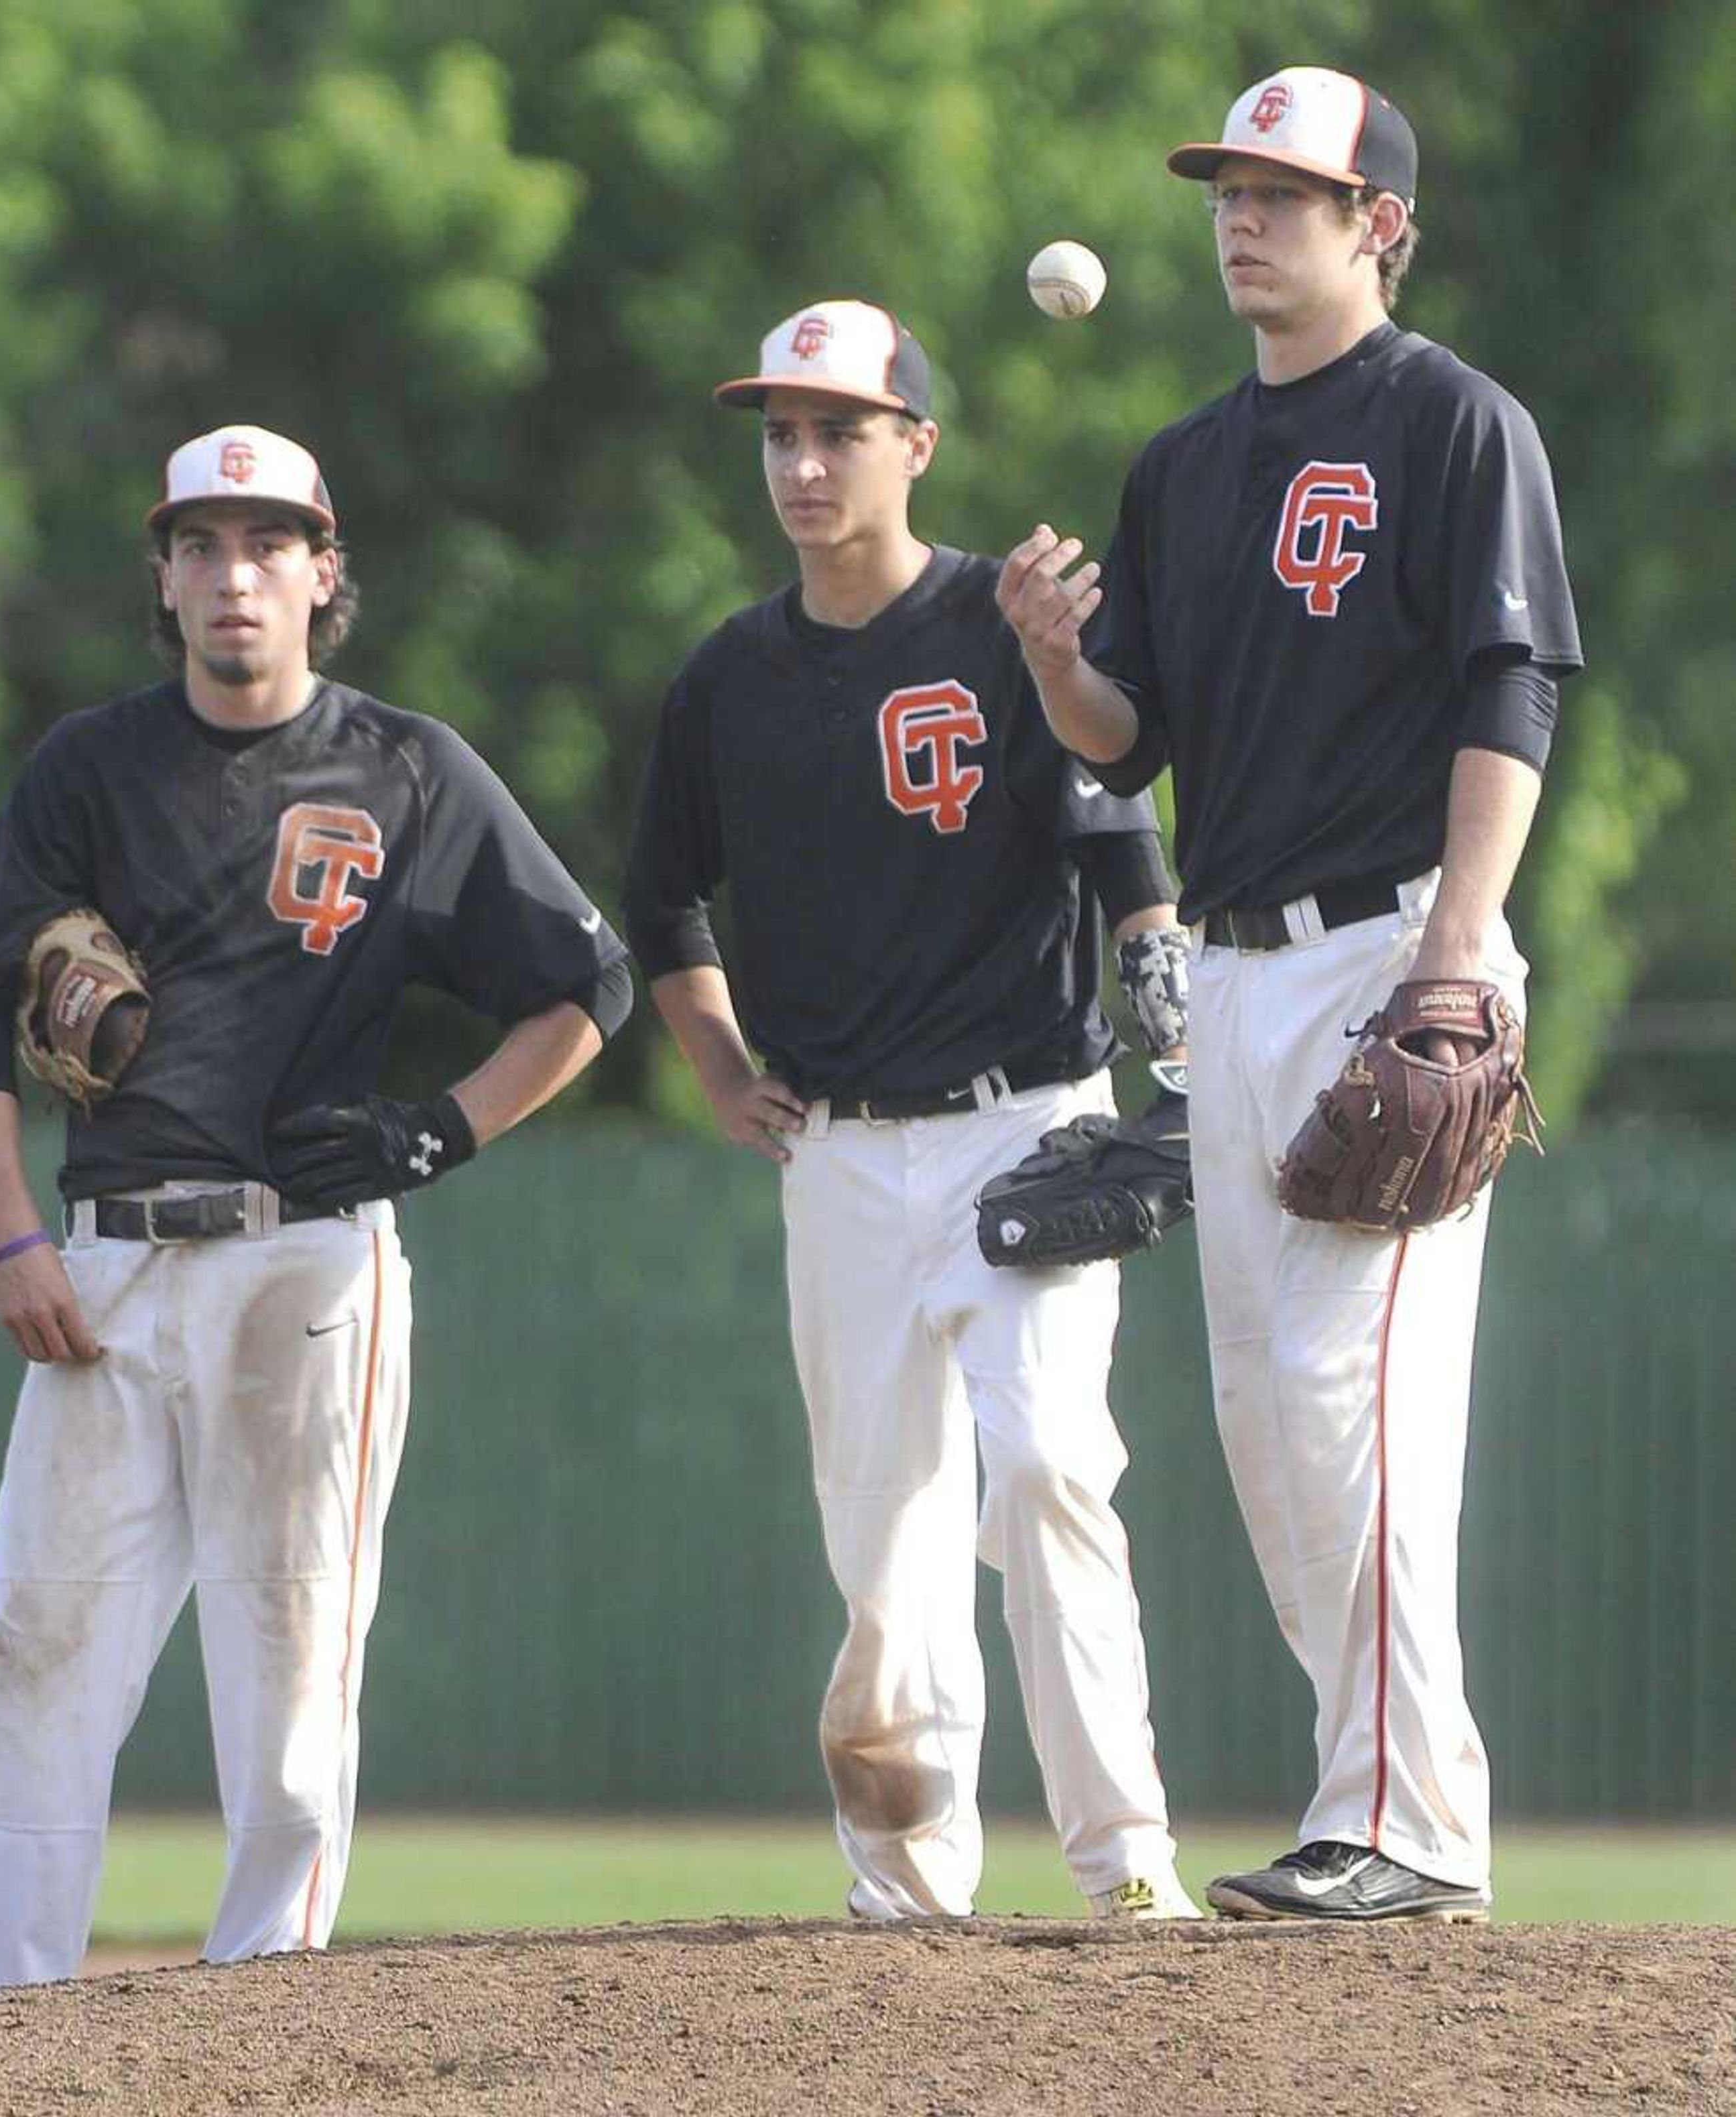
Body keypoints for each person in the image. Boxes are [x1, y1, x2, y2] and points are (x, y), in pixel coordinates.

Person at [0, 424, 631, 1987]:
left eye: (268, 545)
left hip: (302, 1262)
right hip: (99, 1268)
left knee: (292, 1647)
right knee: (37, 1642)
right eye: (200, 544)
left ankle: (269, 2005)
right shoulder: (88, 767)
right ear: (164, 580)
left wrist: (444, 1131)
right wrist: (9, 1234)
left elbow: (586, 984)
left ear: (325, 576)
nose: (233, 574)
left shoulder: (408, 769)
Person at [999, 67, 1581, 1923]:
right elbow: (1129, 736)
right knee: (1267, 1410)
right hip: (1239, 973)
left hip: (1394, 945)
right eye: (1228, 190)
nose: (1243, 217)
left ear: (1378, 225)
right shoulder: (1180, 464)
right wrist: (1047, 658)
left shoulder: (1457, 424)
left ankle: (1408, 1820)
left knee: (1359, 1388)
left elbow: (1516, 692)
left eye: (1285, 190)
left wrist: (1456, 957)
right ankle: (1386, 1807)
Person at [624, 300, 1200, 1923]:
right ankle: (907, 1896)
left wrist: (1153, 929)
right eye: (781, 436)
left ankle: (1124, 1864)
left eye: (840, 431)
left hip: (1027, 1120)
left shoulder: (986, 625)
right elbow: (662, 900)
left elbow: (1106, 803)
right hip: (842, 1153)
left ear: (916, 446)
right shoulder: (730, 678)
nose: (804, 465)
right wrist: (723, 1069)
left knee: (1047, 1470)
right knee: (883, 1535)